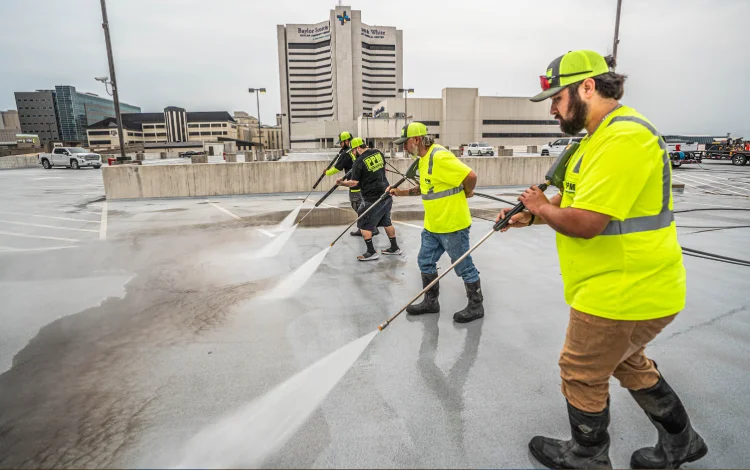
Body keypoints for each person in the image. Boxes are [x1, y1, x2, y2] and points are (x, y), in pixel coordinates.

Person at [498, 50, 707, 469]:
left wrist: (541, 207)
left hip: (621, 288)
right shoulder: (599, 138)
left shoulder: (623, 138)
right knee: (629, 362)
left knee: (580, 371)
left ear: (587, 87)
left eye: (558, 99)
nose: (554, 110)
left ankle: (587, 456)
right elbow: (576, 201)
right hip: (634, 284)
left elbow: (588, 222)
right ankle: (682, 442)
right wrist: (532, 215)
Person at [389, 122, 483, 323]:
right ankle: (431, 302)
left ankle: (476, 305)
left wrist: (466, 191)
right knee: (425, 260)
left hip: (452, 225)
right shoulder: (423, 159)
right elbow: (427, 189)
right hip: (432, 225)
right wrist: (400, 193)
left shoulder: (439, 156)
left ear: (416, 140)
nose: (403, 148)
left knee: (463, 266)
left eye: (405, 143)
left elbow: (470, 175)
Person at [337, 138, 400, 261]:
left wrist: (342, 183)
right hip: (386, 193)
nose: (352, 154)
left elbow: (354, 183)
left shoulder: (359, 162)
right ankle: (394, 247)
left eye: (353, 151)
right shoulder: (378, 153)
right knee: (386, 222)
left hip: (371, 198)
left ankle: (371, 252)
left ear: (358, 148)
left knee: (363, 224)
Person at [324, 131, 377, 236]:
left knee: (358, 206)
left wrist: (327, 172)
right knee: (362, 207)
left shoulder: (346, 153)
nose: (340, 145)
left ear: (347, 141)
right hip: (364, 184)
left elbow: (337, 168)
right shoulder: (360, 151)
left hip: (355, 185)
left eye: (341, 142)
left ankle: (371, 228)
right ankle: (363, 227)